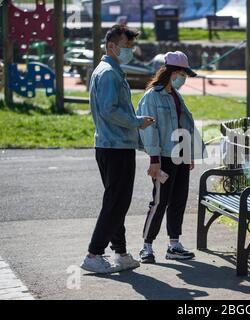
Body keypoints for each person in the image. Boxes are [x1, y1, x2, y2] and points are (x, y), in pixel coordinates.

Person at [80, 25, 154, 274]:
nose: (130, 51)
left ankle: (120, 253)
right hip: (116, 146)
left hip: (110, 144)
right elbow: (110, 110)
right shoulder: (109, 73)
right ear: (111, 46)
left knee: (117, 202)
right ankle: (94, 253)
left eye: (131, 47)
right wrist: (136, 122)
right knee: (115, 203)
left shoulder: (109, 70)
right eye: (126, 46)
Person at [137, 51, 206, 264]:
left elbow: (184, 125)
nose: (184, 79)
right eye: (183, 74)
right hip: (164, 158)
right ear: (173, 72)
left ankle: (174, 244)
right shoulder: (152, 97)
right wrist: (154, 160)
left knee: (178, 200)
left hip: (180, 156)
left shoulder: (176, 95)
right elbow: (150, 130)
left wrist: (189, 154)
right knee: (159, 201)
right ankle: (146, 246)